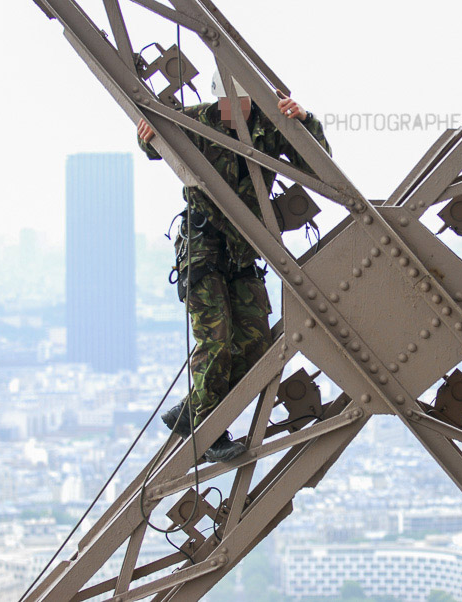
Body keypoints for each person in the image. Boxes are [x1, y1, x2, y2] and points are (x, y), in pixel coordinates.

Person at [137, 73, 331, 462]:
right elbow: (156, 143)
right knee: (216, 341)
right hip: (204, 249)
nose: (233, 109)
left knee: (257, 345)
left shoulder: (269, 129)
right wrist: (145, 136)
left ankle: (191, 411)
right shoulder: (197, 121)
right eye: (227, 101)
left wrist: (304, 120)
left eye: (240, 101)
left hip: (243, 252)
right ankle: (208, 432)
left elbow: (318, 165)